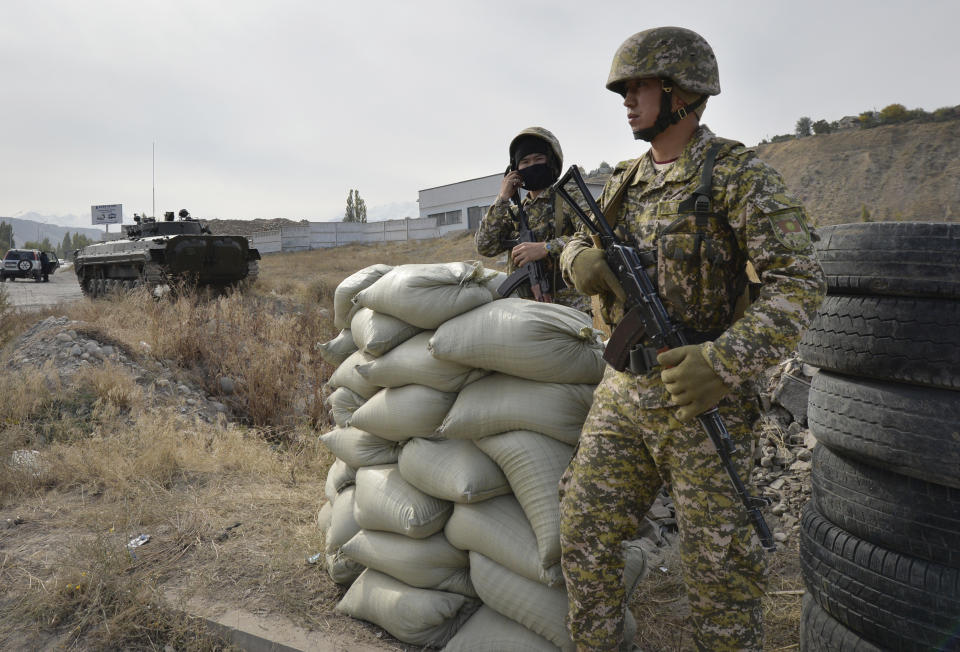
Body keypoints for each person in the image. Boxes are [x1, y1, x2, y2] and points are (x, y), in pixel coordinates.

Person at [557, 27, 825, 651]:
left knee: (720, 578)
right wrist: (579, 264)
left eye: (639, 85)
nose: (626, 98)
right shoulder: (625, 180)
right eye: (623, 87)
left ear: (680, 92)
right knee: (583, 535)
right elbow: (577, 240)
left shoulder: (734, 174)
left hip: (705, 404)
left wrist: (723, 362)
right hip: (624, 394)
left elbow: (802, 281)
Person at [475, 127, 588, 311]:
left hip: (569, 304)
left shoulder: (569, 195)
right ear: (515, 170)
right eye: (525, 162)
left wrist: (547, 248)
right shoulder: (513, 211)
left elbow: (593, 237)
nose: (532, 166)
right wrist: (502, 198)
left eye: (538, 159)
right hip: (524, 308)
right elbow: (484, 246)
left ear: (550, 161)